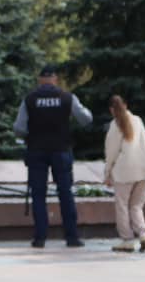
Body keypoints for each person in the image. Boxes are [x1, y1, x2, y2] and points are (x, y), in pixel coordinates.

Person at [13, 64, 93, 248]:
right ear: (55, 79)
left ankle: (40, 238)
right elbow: (86, 119)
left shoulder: (29, 99)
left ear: (40, 80)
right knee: (65, 193)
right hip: (61, 150)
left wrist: (28, 135)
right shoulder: (67, 97)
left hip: (36, 151)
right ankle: (72, 237)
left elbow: (19, 128)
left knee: (38, 195)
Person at [104, 95, 145, 252]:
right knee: (136, 205)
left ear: (111, 110)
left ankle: (127, 240)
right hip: (143, 169)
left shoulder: (115, 125)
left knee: (122, 206)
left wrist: (107, 173)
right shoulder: (138, 120)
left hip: (124, 172)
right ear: (126, 105)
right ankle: (142, 234)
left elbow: (111, 152)